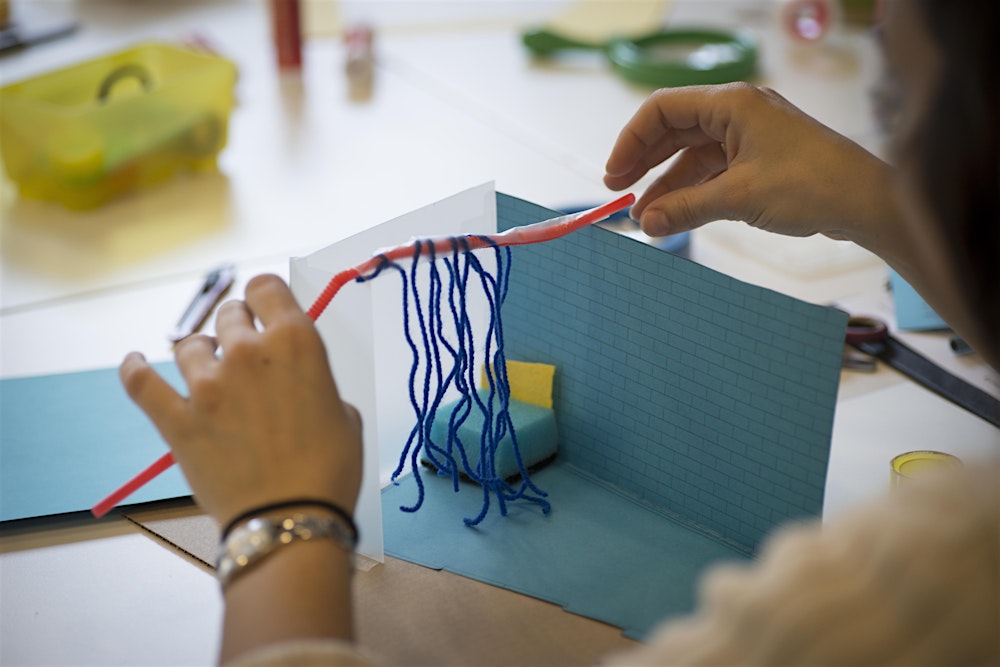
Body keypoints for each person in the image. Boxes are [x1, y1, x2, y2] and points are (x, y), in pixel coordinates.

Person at [119, 0, 998, 664]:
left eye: (894, 103)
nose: (886, 141)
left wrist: (281, 527)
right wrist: (882, 201)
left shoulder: (928, 585)